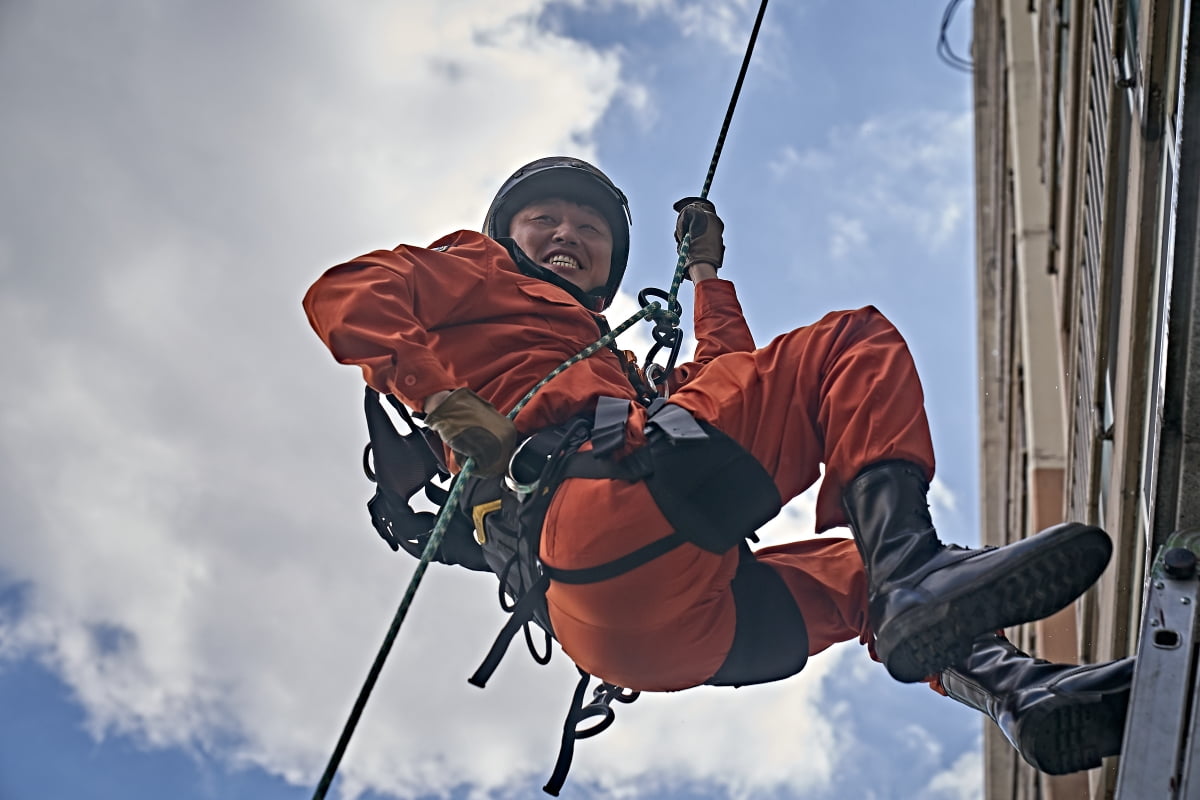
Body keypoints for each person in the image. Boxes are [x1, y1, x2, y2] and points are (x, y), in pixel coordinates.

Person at [303, 156, 1133, 775]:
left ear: (606, 268)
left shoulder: (613, 376)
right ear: (504, 237)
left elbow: (725, 385)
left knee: (856, 574)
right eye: (545, 221)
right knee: (850, 344)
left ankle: (1024, 695)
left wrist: (707, 277)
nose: (568, 235)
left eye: (588, 230)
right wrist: (441, 398)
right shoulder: (471, 272)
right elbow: (346, 293)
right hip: (594, 516)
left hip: (644, 624)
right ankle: (915, 572)